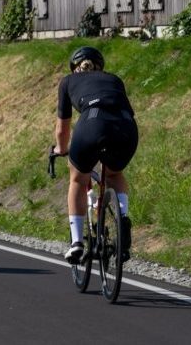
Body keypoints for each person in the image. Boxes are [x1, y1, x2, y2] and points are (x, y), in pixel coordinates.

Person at [53, 45, 137, 264]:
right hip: (125, 127)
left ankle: (77, 243)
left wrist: (60, 150)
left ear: (74, 68)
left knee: (78, 179)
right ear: (101, 67)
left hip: (92, 123)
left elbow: (63, 129)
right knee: (114, 174)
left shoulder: (68, 82)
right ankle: (123, 218)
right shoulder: (114, 79)